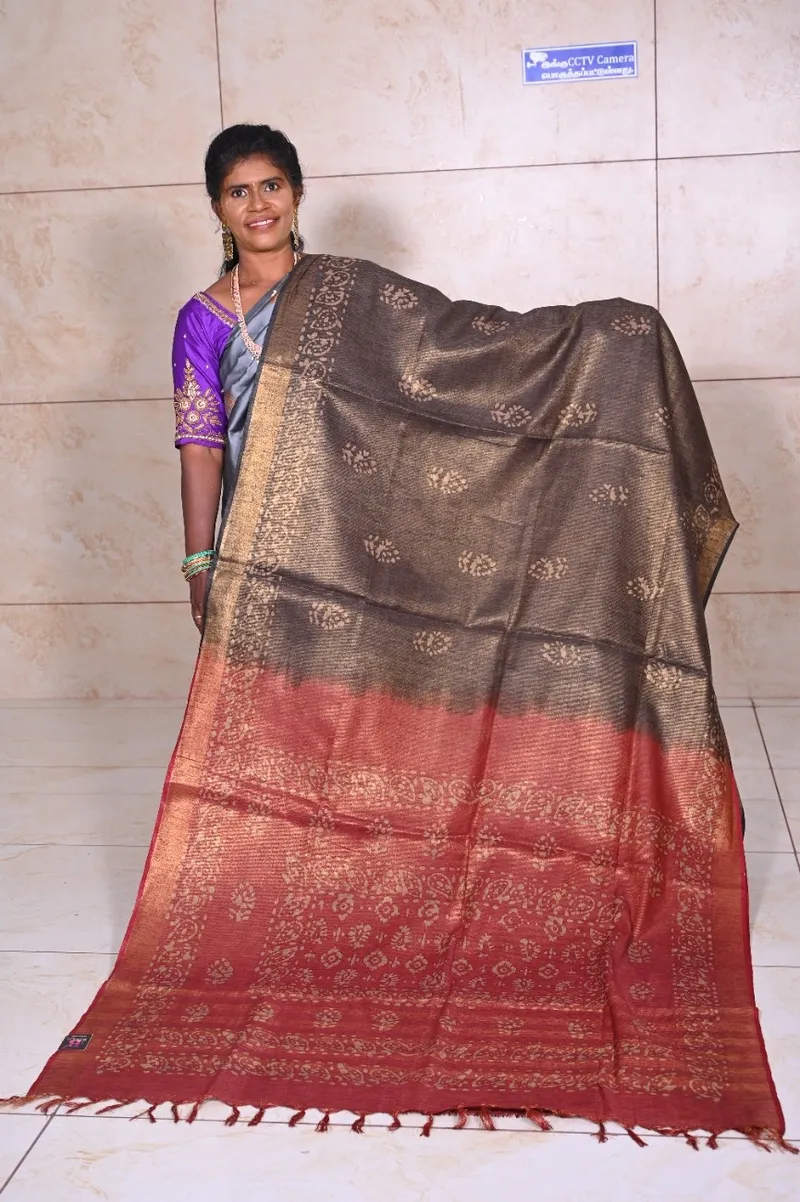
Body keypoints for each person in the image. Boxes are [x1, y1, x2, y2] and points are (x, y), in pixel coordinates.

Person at [172, 124, 304, 630]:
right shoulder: (202, 318)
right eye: (238, 192)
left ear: (296, 193)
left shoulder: (345, 290)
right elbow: (201, 448)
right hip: (255, 536)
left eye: (271, 185)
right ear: (218, 209)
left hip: (346, 524)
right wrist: (199, 562)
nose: (258, 205)